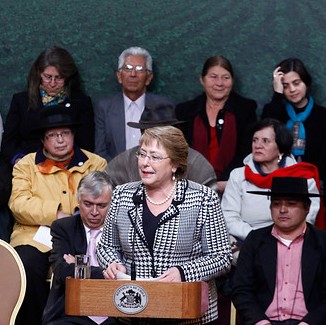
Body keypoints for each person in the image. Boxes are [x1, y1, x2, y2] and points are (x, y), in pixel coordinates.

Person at [97, 126, 232, 324]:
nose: (145, 163)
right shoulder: (122, 195)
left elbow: (221, 258)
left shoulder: (202, 198)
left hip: (187, 313)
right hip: (133, 312)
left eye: (154, 157)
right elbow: (106, 246)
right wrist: (111, 262)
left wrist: (184, 272)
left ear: (175, 164)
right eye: (142, 154)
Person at [9, 105, 106, 325]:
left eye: (65, 133)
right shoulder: (26, 165)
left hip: (79, 235)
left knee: (90, 264)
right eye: (53, 135)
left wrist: (74, 220)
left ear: (73, 135)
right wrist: (59, 214)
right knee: (27, 265)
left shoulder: (96, 163)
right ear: (43, 140)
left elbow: (102, 203)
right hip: (34, 237)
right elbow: (19, 203)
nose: (60, 140)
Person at [232, 176, 326, 325]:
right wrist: (260, 321)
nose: (282, 210)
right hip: (264, 321)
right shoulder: (255, 240)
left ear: (307, 208)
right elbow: (241, 289)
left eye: (291, 204)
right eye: (276, 204)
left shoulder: (322, 242)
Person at [222, 118, 321, 242]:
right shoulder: (238, 175)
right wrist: (255, 236)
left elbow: (308, 217)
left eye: (266, 141)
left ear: (280, 148)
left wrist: (280, 238)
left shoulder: (301, 177)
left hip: (291, 239)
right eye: (255, 140)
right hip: (247, 239)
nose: (258, 146)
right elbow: (228, 216)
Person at [43, 171, 116, 325]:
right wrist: (106, 272)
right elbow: (62, 271)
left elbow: (128, 274)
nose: (94, 212)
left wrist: (80, 267)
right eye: (88, 204)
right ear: (78, 201)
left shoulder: (121, 230)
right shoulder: (63, 228)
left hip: (114, 313)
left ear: (112, 202)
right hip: (69, 313)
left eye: (102, 206)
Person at [175, 55, 257, 193]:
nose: (219, 83)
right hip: (191, 187)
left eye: (225, 78)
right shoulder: (185, 111)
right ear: (202, 79)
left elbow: (247, 151)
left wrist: (225, 183)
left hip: (233, 186)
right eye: (213, 77)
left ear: (232, 81)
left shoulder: (246, 109)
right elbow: (180, 152)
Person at [262, 58, 326, 225]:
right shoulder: (277, 112)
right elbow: (266, 133)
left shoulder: (322, 116)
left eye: (296, 83)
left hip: (317, 185)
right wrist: (276, 95)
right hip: (280, 184)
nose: (291, 89)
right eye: (285, 85)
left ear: (306, 82)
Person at [105, 104, 218, 193]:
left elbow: (211, 215)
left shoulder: (198, 165)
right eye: (148, 134)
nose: (146, 162)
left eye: (159, 135)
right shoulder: (124, 161)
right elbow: (101, 198)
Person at [94, 46, 175, 161]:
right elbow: (100, 152)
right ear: (119, 76)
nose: (133, 74)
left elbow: (172, 149)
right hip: (115, 175)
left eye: (139, 69)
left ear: (149, 77)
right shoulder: (104, 107)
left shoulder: (164, 106)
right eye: (127, 68)